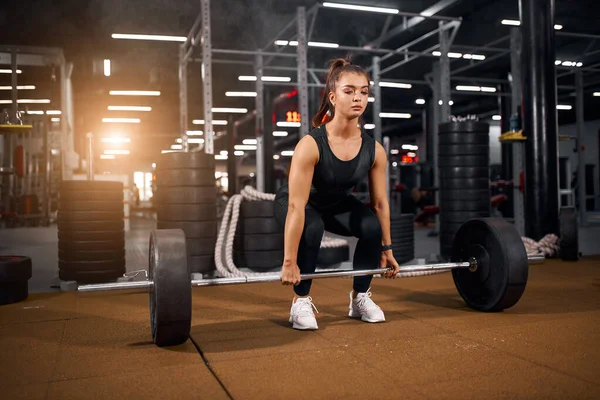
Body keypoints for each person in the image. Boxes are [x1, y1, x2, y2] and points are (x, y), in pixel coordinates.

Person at [273, 57, 401, 331]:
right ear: (332, 97)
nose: (358, 97)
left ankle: (359, 297)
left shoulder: (373, 149)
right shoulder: (311, 144)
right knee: (313, 224)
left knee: (369, 224)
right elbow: (297, 206)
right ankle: (300, 301)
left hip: (334, 205)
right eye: (349, 90)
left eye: (364, 91)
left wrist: (386, 249)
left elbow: (379, 203)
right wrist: (289, 262)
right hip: (296, 205)